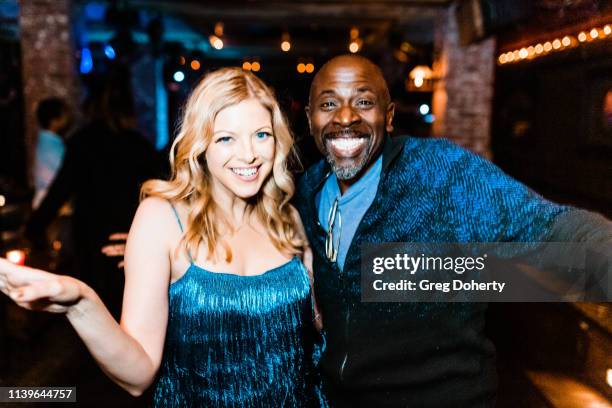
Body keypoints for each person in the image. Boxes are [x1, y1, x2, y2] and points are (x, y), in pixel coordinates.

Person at [292, 54, 612, 407]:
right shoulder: (306, 192)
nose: (346, 116)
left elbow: (553, 229)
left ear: (390, 116)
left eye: (364, 102)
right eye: (328, 103)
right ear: (310, 119)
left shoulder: (441, 173)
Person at [1, 68, 323, 407]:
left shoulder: (287, 218)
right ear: (201, 144)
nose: (249, 155)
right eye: (226, 138)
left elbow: (320, 328)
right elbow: (138, 377)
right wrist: (81, 302)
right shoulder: (162, 218)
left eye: (261, 135)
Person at [26, 68, 165, 318]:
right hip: (130, 237)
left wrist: (34, 227)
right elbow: (163, 192)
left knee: (93, 313)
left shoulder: (82, 143)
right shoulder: (139, 146)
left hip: (91, 239)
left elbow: (59, 190)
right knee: (130, 313)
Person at [32, 97, 72, 209]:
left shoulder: (46, 141)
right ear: (54, 120)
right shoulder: (53, 146)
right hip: (51, 203)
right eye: (65, 114)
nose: (69, 118)